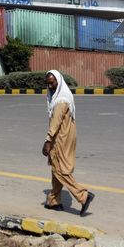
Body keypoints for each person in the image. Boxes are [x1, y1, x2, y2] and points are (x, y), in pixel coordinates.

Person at [42, 70, 95, 216]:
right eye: (48, 83)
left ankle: (83, 196)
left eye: (53, 82)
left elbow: (55, 123)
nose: (51, 86)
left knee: (60, 170)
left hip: (60, 138)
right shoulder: (62, 95)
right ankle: (54, 200)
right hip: (66, 136)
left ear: (59, 81)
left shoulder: (61, 100)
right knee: (56, 169)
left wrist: (47, 141)